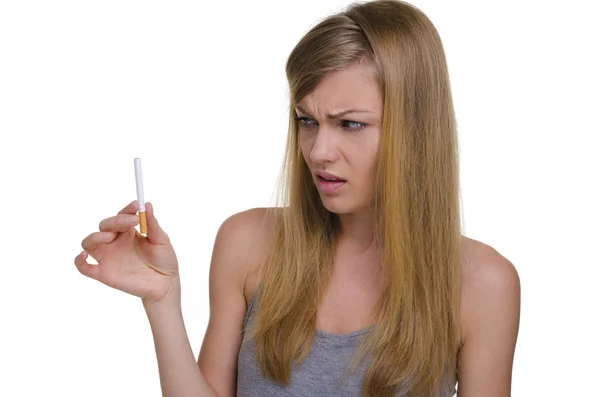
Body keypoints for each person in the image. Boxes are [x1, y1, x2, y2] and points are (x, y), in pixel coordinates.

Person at [75, 1, 521, 396]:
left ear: (416, 132)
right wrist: (162, 302)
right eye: (307, 121)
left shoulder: (482, 284)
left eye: (349, 124)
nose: (319, 152)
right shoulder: (247, 242)